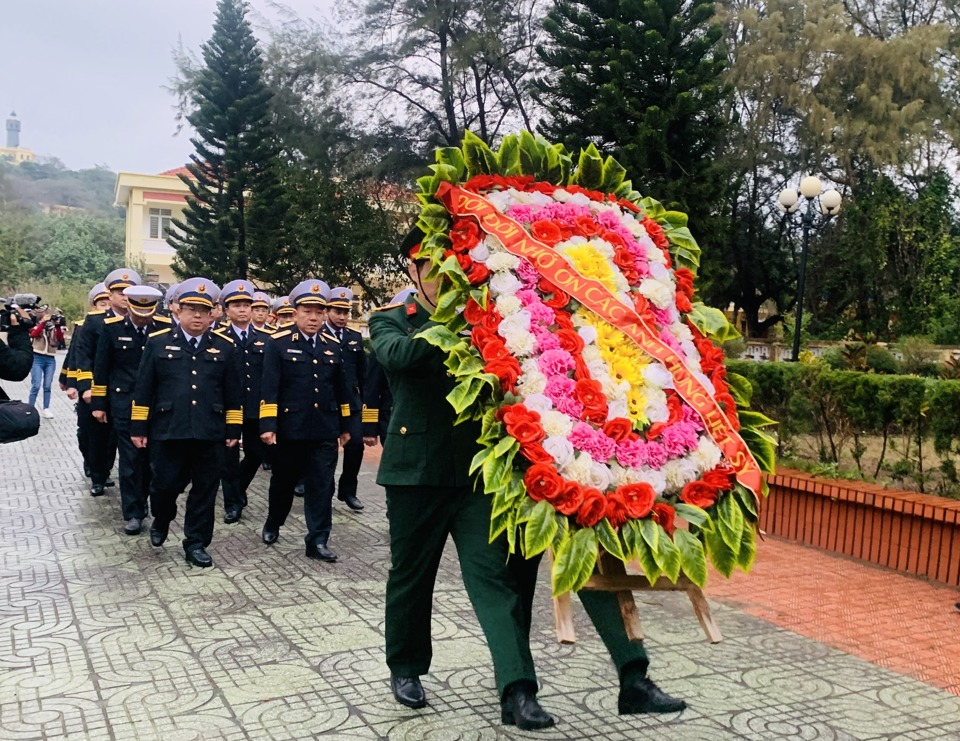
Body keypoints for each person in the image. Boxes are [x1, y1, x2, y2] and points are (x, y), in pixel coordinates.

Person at [369, 237, 554, 730]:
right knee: (411, 575)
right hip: (415, 475)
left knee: (494, 577)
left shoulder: (490, 317)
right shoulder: (391, 319)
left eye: (452, 267)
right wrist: (455, 323)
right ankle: (406, 668)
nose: (441, 276)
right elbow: (399, 357)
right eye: (431, 267)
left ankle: (518, 689)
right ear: (414, 269)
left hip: (477, 474)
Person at [130, 278, 242, 568]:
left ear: (212, 314)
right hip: (168, 429)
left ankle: (196, 543)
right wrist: (139, 427)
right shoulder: (158, 343)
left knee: (205, 491)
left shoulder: (225, 347)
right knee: (164, 486)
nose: (197, 315)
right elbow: (144, 389)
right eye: (191, 309)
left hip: (210, 430)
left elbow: (233, 392)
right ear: (178, 311)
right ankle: (162, 518)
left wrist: (233, 430)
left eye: (203, 311)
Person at [259, 279, 352, 562]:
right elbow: (270, 386)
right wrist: (267, 425)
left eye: (318, 312)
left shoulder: (332, 345)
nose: (313, 318)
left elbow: (342, 389)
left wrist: (347, 426)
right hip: (291, 429)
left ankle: (318, 540)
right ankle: (274, 521)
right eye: (307, 311)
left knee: (323, 485)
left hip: (324, 428)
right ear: (295, 311)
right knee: (283, 482)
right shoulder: (278, 343)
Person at [91, 286, 170, 535]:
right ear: (129, 306)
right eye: (138, 311)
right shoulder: (113, 328)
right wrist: (99, 405)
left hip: (157, 406)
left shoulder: (164, 328)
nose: (143, 317)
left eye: (148, 311)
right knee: (130, 461)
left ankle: (144, 498)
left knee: (151, 461)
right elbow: (101, 369)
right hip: (124, 403)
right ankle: (133, 512)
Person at [77, 268, 140, 496]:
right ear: (110, 295)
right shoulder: (95, 321)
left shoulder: (142, 320)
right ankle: (98, 476)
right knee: (98, 437)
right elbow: (83, 355)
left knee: (126, 441)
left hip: (128, 391)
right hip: (101, 389)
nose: (124, 295)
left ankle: (131, 488)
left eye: (128, 291)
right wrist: (86, 387)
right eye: (119, 291)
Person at [218, 280, 271, 524]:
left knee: (255, 454)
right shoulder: (217, 337)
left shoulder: (267, 337)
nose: (242, 310)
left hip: (253, 407)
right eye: (236, 305)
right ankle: (232, 503)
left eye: (246, 305)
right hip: (226, 407)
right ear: (226, 310)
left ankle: (237, 489)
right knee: (228, 457)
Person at [60, 283, 111, 478]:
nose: (105, 307)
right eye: (101, 303)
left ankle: (102, 470)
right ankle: (90, 463)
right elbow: (75, 355)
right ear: (93, 305)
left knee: (108, 436)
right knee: (86, 430)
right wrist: (70, 381)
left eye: (108, 303)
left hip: (109, 386)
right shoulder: (85, 325)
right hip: (88, 383)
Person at [325, 286, 366, 511]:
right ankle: (325, 490)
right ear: (327, 311)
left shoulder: (355, 337)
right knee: (328, 448)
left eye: (345, 312)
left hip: (351, 402)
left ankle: (348, 490)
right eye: (337, 311)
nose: (342, 317)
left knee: (356, 445)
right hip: (327, 402)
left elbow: (362, 374)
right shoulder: (318, 334)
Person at [27, 307, 63, 419]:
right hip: (37, 357)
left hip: (50, 358)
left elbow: (60, 339)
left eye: (48, 314)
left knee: (47, 385)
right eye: (45, 314)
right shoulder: (35, 325)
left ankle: (46, 408)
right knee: (36, 385)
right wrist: (43, 323)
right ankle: (30, 408)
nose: (47, 316)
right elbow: (34, 334)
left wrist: (57, 325)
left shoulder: (52, 327)